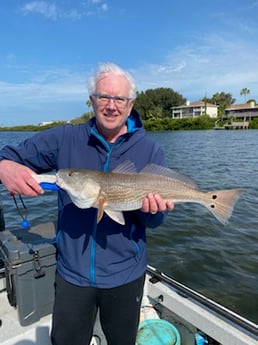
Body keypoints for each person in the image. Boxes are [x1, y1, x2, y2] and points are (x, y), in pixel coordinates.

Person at [0, 63, 174, 345]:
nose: (111, 106)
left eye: (119, 99)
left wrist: (153, 212)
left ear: (130, 105)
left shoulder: (149, 149)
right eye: (104, 97)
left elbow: (154, 222)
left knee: (122, 340)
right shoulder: (65, 138)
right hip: (72, 273)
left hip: (125, 273)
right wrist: (4, 167)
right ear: (92, 100)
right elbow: (9, 155)